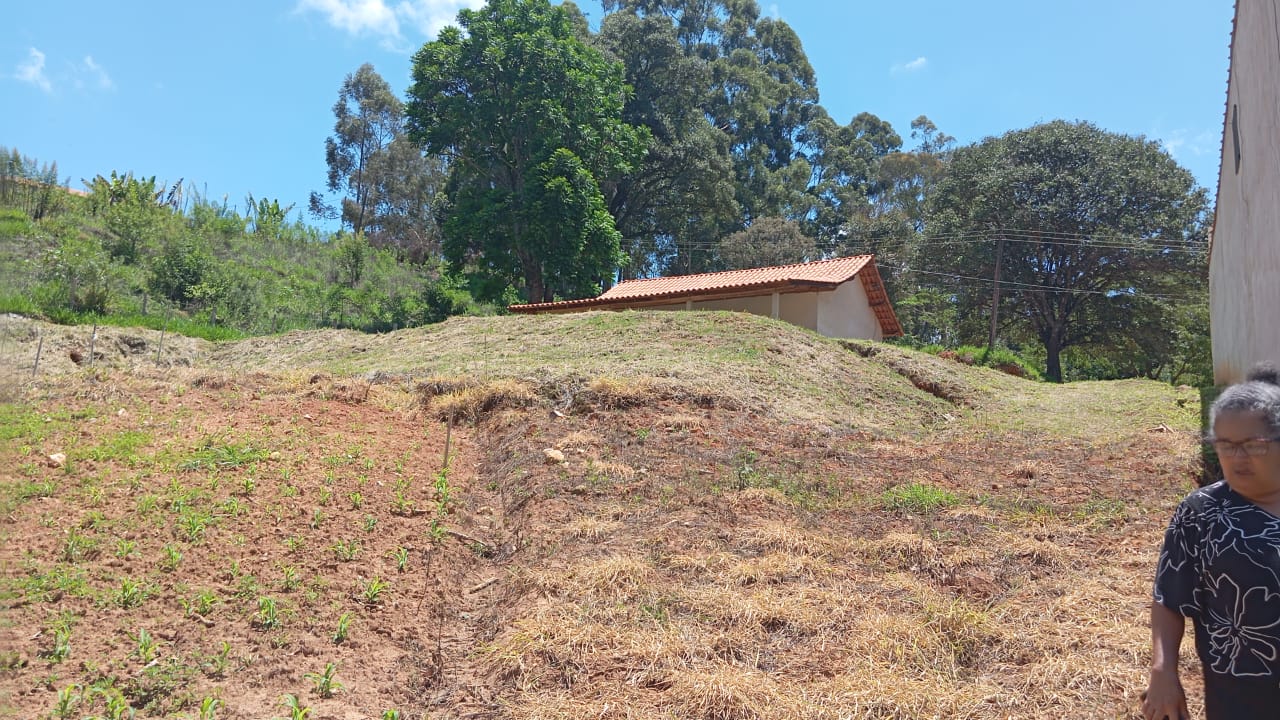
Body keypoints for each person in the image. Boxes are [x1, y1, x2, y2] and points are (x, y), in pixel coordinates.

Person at [1143, 364, 1280, 719]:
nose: (1237, 458)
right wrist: (1163, 671)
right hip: (1241, 696)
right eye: (1225, 445)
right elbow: (1169, 597)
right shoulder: (1202, 512)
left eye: (1253, 445)